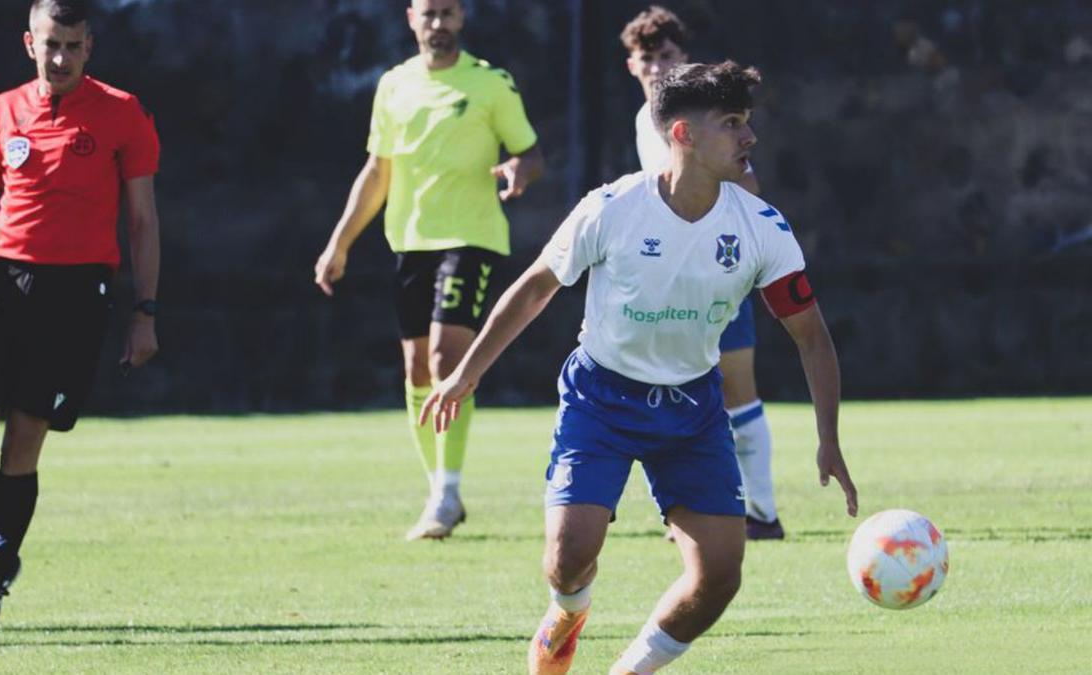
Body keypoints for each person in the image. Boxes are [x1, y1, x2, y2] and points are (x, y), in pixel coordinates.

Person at [421, 62, 857, 674]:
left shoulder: (762, 227)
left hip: (692, 411)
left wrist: (829, 438)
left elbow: (811, 336)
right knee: (567, 558)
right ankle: (569, 611)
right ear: (682, 134)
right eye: (732, 124)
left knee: (720, 576)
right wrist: (466, 373)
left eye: (748, 123)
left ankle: (630, 670)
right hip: (601, 399)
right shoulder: (612, 208)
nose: (749, 138)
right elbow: (535, 287)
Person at [0, 0, 161, 647]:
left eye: (72, 45)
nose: (59, 57)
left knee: (24, 439)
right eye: (49, 44)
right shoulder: (1, 110)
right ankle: (0, 547)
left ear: (90, 46)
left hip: (76, 291)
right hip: (3, 280)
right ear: (28, 42)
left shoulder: (122, 113)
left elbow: (143, 220)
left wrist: (144, 311)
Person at [314, 0, 543, 540]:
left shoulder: (490, 84)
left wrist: (518, 170)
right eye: (429, 13)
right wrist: (338, 244)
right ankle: (438, 484)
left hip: (472, 238)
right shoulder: (393, 85)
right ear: (410, 18)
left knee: (447, 355)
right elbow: (377, 171)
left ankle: (447, 492)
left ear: (461, 18)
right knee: (417, 369)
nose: (438, 23)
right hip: (410, 242)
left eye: (448, 13)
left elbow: (531, 153)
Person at [622, 6, 785, 540]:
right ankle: (691, 509)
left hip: (717, 267)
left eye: (665, 57)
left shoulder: (710, 122)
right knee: (674, 390)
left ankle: (762, 512)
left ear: (682, 59)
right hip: (667, 278)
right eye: (645, 58)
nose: (654, 67)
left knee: (736, 387)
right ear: (630, 65)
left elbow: (750, 190)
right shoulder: (646, 122)